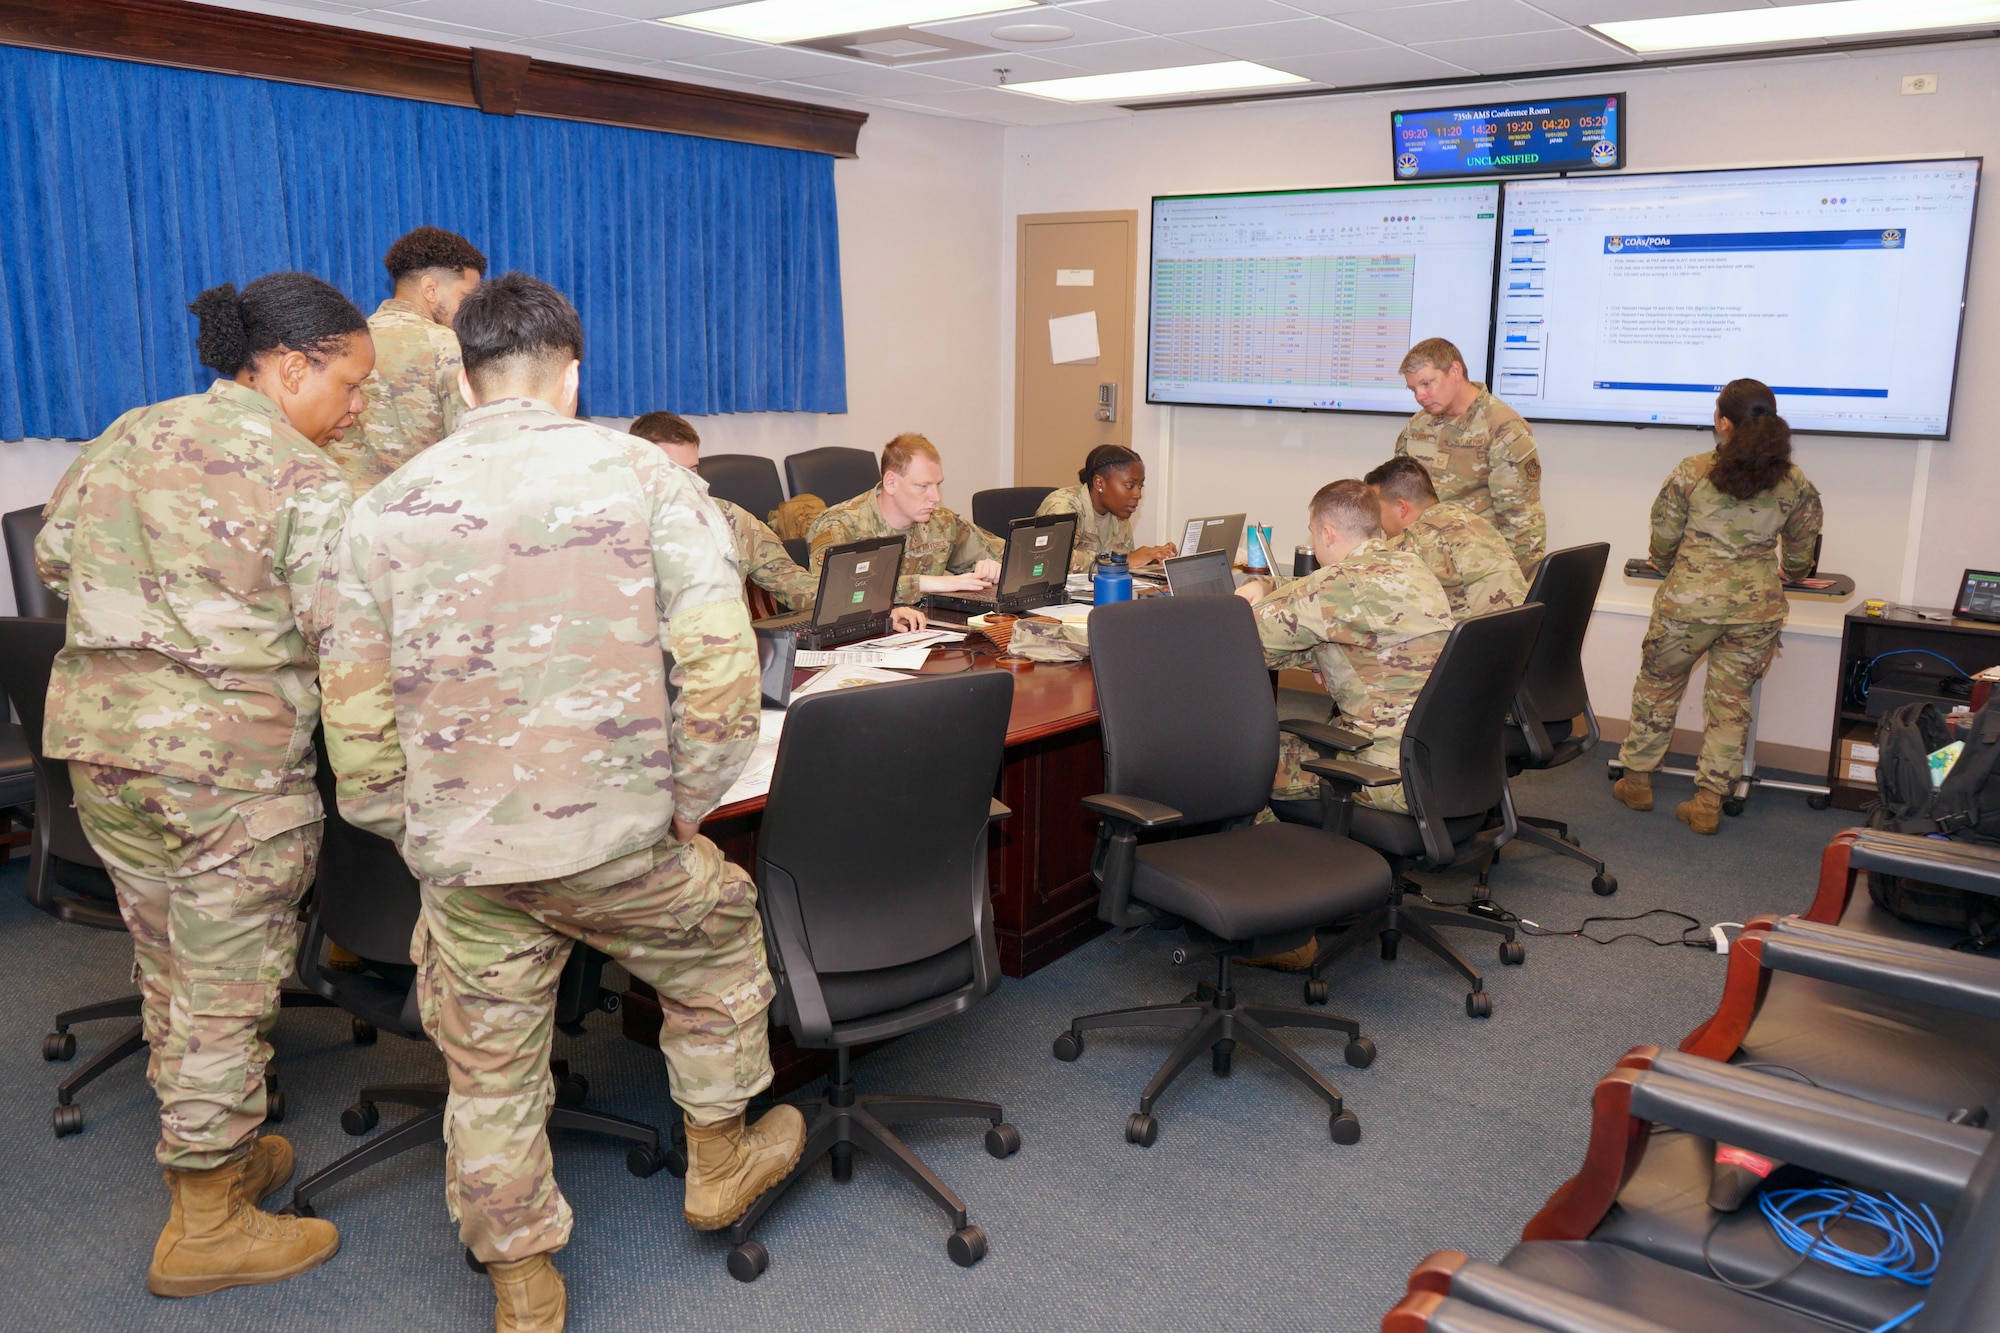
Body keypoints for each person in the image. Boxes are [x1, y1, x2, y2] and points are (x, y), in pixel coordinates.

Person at [322, 273, 801, 1333]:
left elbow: (352, 731)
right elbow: (722, 669)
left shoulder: (380, 507)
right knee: (720, 943)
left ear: (464, 371)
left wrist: (422, 829)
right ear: (572, 371)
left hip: (465, 858)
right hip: (621, 842)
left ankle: (521, 1282)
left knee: (488, 1069)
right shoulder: (644, 477)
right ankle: (718, 1153)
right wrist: (686, 798)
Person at [36, 273, 370, 1297]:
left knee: (173, 969)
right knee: (227, 995)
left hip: (104, 754)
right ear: (290, 365)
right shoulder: (308, 483)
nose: (355, 407)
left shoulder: (133, 429)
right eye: (349, 385)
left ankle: (213, 1159)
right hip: (231, 770)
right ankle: (206, 1224)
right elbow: (346, 633)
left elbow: (53, 558)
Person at [1612, 379, 1823, 835]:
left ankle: (1638, 781)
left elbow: (1663, 541)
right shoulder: (1793, 479)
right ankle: (1708, 803)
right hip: (1755, 612)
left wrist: (1668, 562)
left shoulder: (1692, 470)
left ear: (1724, 423)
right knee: (1731, 706)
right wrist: (1793, 568)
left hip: (1687, 607)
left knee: (1658, 687)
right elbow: (1802, 556)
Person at [1237, 480, 1453, 815]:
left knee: (1237, 758)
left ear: (1327, 534)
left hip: (1383, 773)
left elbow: (1243, 642)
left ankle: (1266, 860)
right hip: (1445, 760)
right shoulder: (1413, 569)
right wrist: (1265, 584)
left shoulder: (1339, 586)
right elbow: (1350, 630)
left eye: (1312, 532)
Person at [629, 411, 925, 632]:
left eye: (694, 470)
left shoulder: (730, 520)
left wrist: (875, 612)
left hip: (734, 666)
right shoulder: (614, 533)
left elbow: (795, 583)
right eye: (674, 472)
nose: (691, 484)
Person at [325, 225, 486, 492]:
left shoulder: (346, 340)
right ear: (430, 289)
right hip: (415, 514)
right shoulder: (447, 345)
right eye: (465, 298)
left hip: (348, 512)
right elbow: (468, 446)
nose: (470, 310)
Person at [1394, 337, 1546, 576]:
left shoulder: (1503, 428)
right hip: (1427, 572)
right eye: (1413, 389)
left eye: (1427, 384)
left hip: (1482, 575)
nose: (1420, 396)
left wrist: (1509, 589)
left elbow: (1523, 527)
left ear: (1455, 371)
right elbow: (1397, 500)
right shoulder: (1418, 425)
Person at [806, 433, 1003, 602]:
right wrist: (924, 584)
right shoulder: (839, 525)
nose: (936, 497)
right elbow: (826, 594)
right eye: (923, 486)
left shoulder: (942, 522)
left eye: (938, 485)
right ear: (891, 482)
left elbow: (1015, 557)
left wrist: (993, 567)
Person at [1365, 455, 1526, 621]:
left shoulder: (1413, 541)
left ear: (1401, 507)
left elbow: (1363, 592)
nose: (1376, 520)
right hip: (1521, 633)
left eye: (1377, 510)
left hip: (1478, 640)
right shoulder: (1476, 521)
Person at [1036, 444, 1180, 572]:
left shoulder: (1119, 514)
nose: (1138, 495)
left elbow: (1129, 562)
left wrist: (1152, 557)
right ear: (1099, 483)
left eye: (1140, 486)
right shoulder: (1063, 506)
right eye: (1130, 486)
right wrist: (1124, 561)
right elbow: (1052, 561)